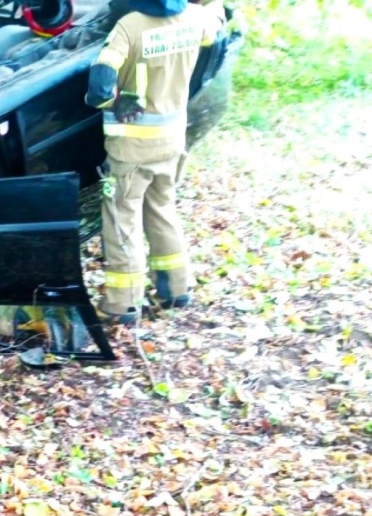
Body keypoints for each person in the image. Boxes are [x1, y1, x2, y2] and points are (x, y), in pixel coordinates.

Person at [84, 0, 224, 324]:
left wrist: (116, 101)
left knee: (123, 220)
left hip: (132, 150)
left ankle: (123, 305)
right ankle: (175, 290)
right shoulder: (193, 19)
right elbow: (215, 26)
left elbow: (99, 89)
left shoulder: (130, 28)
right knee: (162, 209)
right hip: (172, 142)